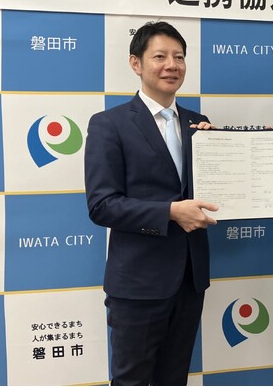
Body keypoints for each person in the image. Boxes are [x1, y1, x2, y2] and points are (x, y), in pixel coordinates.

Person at [84, 21, 219, 386]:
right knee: (132, 380)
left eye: (179, 57)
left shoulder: (199, 124)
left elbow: (216, 190)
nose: (171, 65)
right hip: (138, 283)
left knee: (174, 379)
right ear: (136, 63)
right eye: (160, 56)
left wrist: (259, 148)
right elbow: (102, 205)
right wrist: (170, 213)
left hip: (190, 279)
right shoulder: (109, 124)